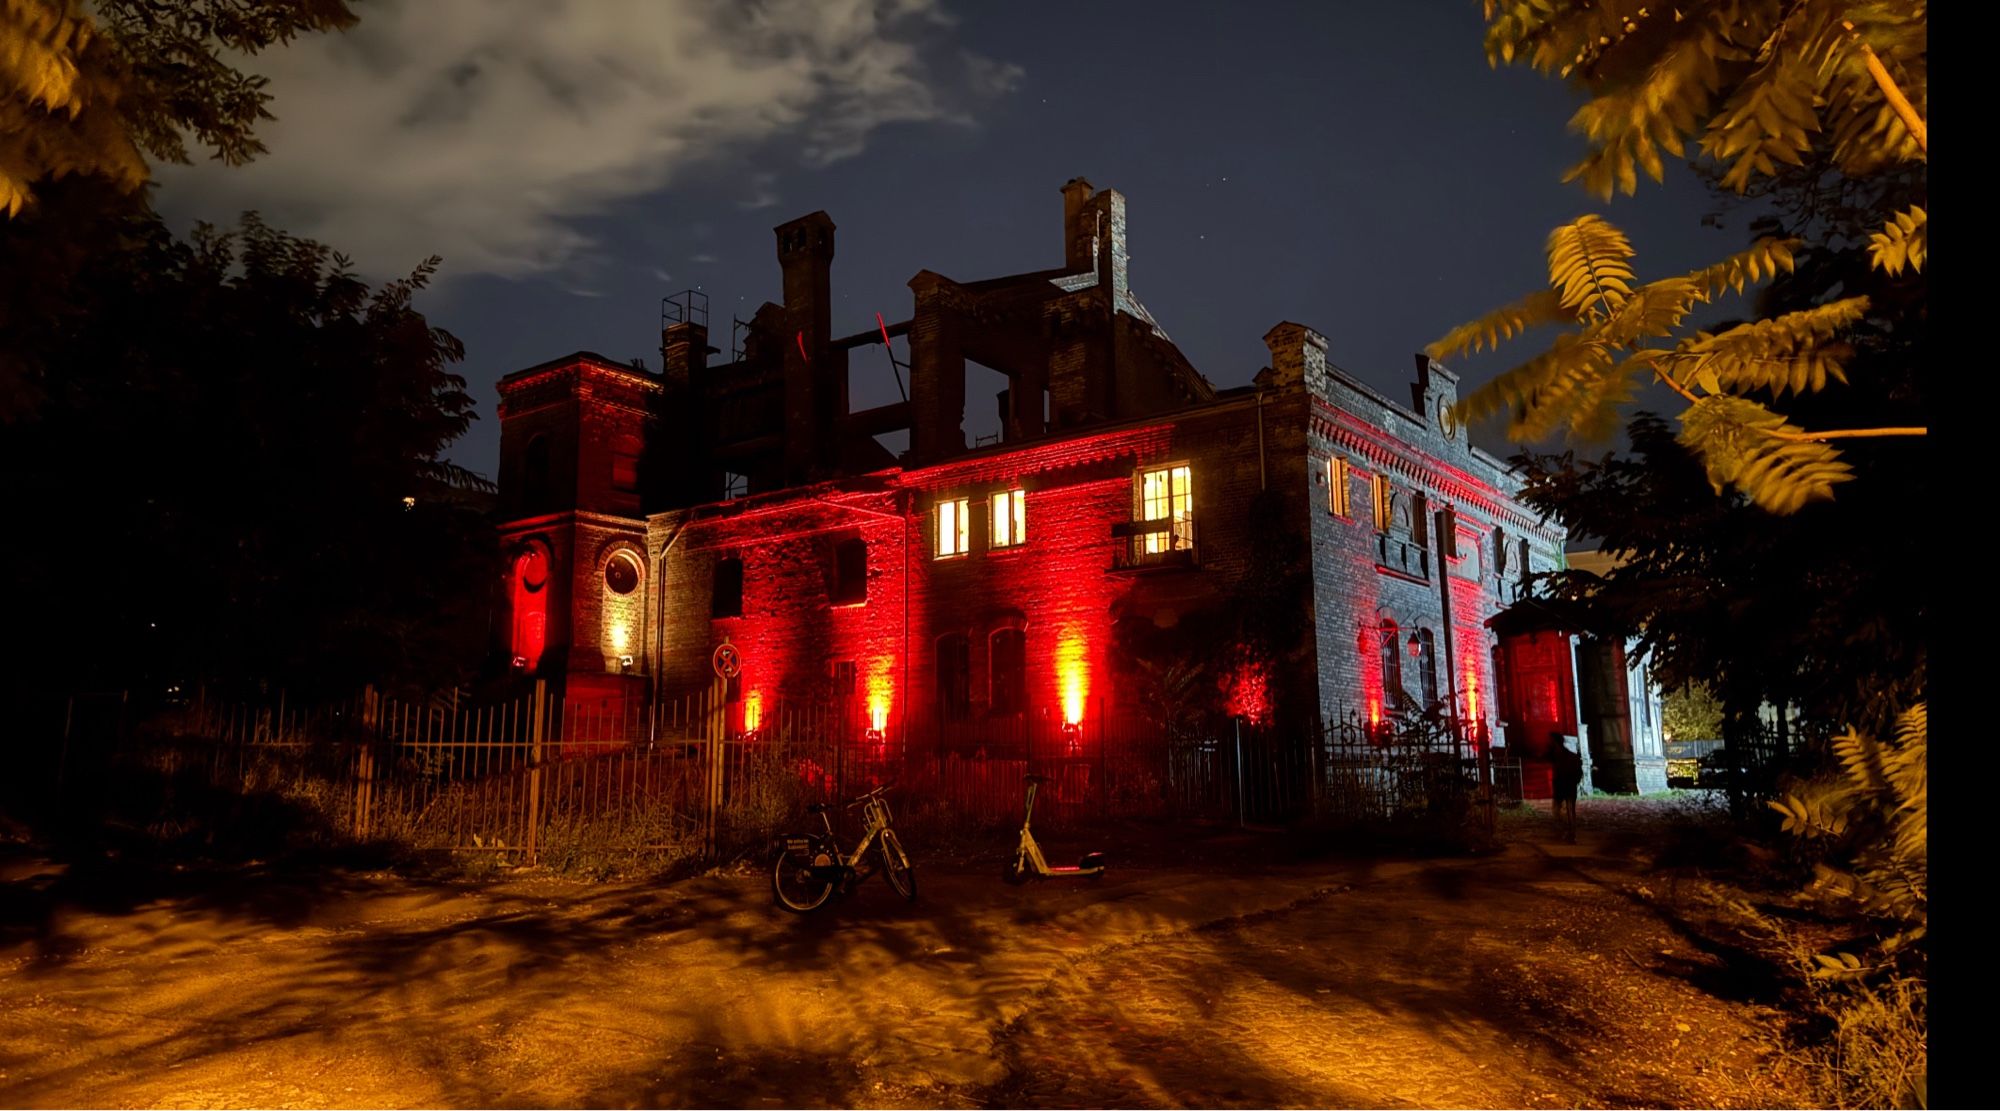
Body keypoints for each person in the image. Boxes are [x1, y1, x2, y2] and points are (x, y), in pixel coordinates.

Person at [1549, 737, 1583, 843]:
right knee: (1563, 810)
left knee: (1566, 810)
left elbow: (1578, 772)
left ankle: (1569, 833)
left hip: (1566, 785)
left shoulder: (1565, 757)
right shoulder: (1563, 756)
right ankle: (1567, 833)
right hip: (1565, 786)